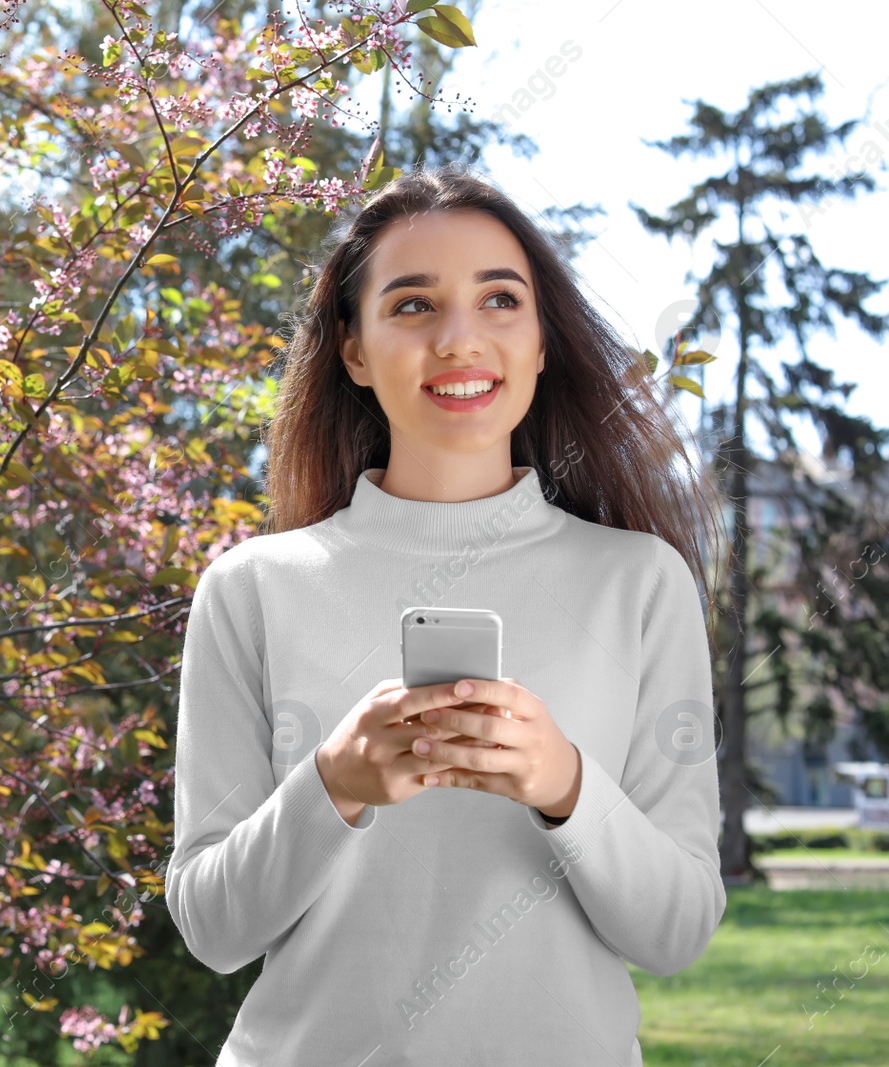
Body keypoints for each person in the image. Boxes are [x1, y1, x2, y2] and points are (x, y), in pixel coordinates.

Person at [166, 164, 729, 1066]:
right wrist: (334, 784)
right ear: (353, 349)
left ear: (543, 341)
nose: (461, 339)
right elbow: (212, 925)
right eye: (414, 305)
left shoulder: (639, 582)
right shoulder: (251, 589)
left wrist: (565, 783)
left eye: (501, 299)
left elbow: (677, 929)